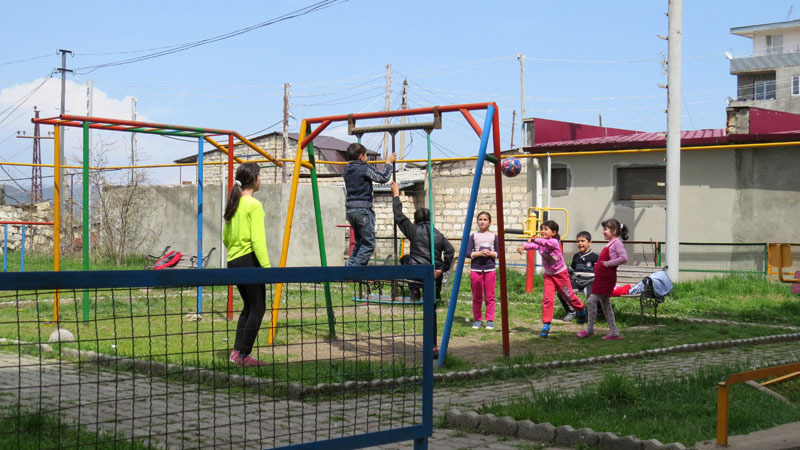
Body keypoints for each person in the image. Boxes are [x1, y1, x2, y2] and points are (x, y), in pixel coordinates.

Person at [391, 181, 454, 358]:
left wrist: (396, 195)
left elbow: (398, 217)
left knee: (405, 260)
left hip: (417, 276)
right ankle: (433, 346)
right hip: (433, 279)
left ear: (416, 220)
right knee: (431, 312)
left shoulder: (413, 230)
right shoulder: (438, 234)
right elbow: (450, 251)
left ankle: (414, 291)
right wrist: (442, 268)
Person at [223, 162, 271, 367]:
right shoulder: (254, 205)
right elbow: (258, 241)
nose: (261, 179)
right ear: (254, 180)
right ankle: (243, 355)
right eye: (260, 176)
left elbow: (226, 238)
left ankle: (237, 353)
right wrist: (267, 269)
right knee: (258, 308)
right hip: (249, 260)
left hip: (233, 260)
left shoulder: (234, 202)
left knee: (249, 307)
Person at [517, 220, 587, 338]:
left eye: (546, 229)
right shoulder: (540, 243)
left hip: (561, 274)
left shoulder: (554, 242)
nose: (543, 231)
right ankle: (546, 324)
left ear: (553, 232)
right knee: (547, 299)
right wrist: (523, 246)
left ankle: (581, 308)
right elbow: (532, 245)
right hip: (549, 276)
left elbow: (543, 243)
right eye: (542, 229)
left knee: (569, 296)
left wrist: (534, 239)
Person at [343, 143, 397, 266]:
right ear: (360, 156)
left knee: (360, 242)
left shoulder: (346, 170)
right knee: (368, 243)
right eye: (366, 155)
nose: (367, 157)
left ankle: (350, 266)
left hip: (350, 210)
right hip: (363, 209)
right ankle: (355, 270)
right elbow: (383, 178)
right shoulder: (364, 168)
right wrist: (388, 163)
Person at [576, 218, 629, 340]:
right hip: (602, 278)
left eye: (605, 229)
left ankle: (589, 329)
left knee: (591, 300)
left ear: (614, 231)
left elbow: (624, 258)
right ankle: (614, 332)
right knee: (605, 303)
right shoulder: (611, 243)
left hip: (606, 279)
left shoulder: (617, 243)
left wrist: (608, 263)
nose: (603, 232)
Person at [557, 231, 599, 322]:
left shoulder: (594, 257)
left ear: (590, 243)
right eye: (578, 241)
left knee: (591, 296)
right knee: (561, 292)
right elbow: (571, 269)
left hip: (590, 281)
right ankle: (571, 311)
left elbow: (599, 272)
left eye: (583, 241)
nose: (580, 243)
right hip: (577, 281)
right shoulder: (576, 256)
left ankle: (594, 315)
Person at [466, 211, 498, 330]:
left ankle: (490, 320)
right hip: (476, 269)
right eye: (480, 219)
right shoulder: (473, 236)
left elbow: (499, 253)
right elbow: (467, 252)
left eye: (485, 219)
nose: (482, 222)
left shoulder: (494, 236)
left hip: (490, 269)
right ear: (477, 221)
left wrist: (491, 253)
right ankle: (477, 319)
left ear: (489, 222)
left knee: (490, 296)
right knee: (477, 296)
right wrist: (478, 253)